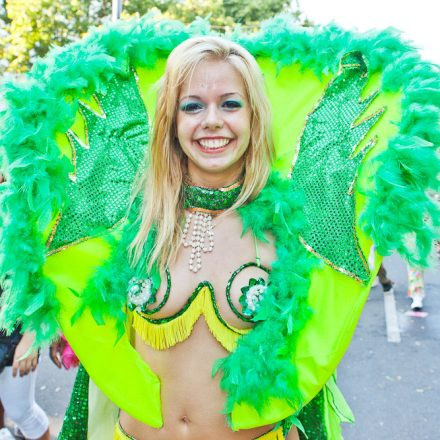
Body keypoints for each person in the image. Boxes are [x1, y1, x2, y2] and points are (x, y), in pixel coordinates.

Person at [113, 36, 298, 440]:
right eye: (192, 106)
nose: (211, 120)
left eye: (230, 104)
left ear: (254, 116)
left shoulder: (287, 227)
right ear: (172, 121)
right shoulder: (137, 220)